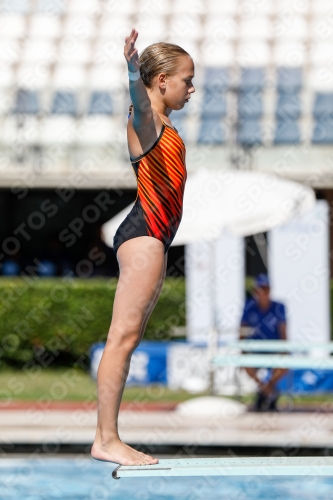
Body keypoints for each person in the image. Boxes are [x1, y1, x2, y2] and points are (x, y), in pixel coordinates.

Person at [91, 29, 195, 465]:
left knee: (127, 339)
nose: (192, 88)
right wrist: (134, 68)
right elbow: (137, 92)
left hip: (153, 236)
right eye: (187, 79)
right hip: (145, 234)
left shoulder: (163, 123)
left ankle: (109, 437)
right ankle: (106, 440)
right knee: (122, 338)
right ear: (163, 80)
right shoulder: (145, 117)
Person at [239, 273, 288, 411]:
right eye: (261, 289)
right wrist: (241, 349)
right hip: (255, 350)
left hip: (274, 349)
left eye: (266, 289)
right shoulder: (249, 306)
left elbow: (283, 331)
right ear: (256, 291)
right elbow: (241, 329)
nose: (263, 292)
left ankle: (264, 391)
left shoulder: (279, 307)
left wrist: (284, 350)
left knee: (284, 364)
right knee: (245, 362)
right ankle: (268, 391)